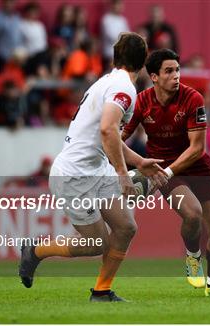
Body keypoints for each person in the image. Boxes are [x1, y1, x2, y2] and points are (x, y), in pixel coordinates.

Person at [18, 32, 168, 302]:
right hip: (75, 174)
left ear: (115, 57)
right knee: (95, 243)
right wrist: (124, 175)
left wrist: (138, 161)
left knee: (125, 228)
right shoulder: (124, 89)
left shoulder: (108, 82)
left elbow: (107, 134)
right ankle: (35, 251)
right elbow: (108, 130)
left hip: (96, 168)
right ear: (144, 62)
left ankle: (101, 291)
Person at [122, 49, 210, 298]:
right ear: (154, 77)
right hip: (163, 167)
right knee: (193, 214)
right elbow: (119, 138)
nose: (176, 76)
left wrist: (169, 172)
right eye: (169, 71)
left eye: (177, 70)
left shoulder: (193, 98)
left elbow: (197, 148)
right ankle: (193, 256)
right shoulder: (141, 102)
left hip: (195, 164)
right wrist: (122, 166)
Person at [0, 0, 24, 67]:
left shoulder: (17, 16)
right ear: (3, 3)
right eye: (7, 2)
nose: (9, 4)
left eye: (11, 2)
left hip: (17, 56)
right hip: (3, 54)